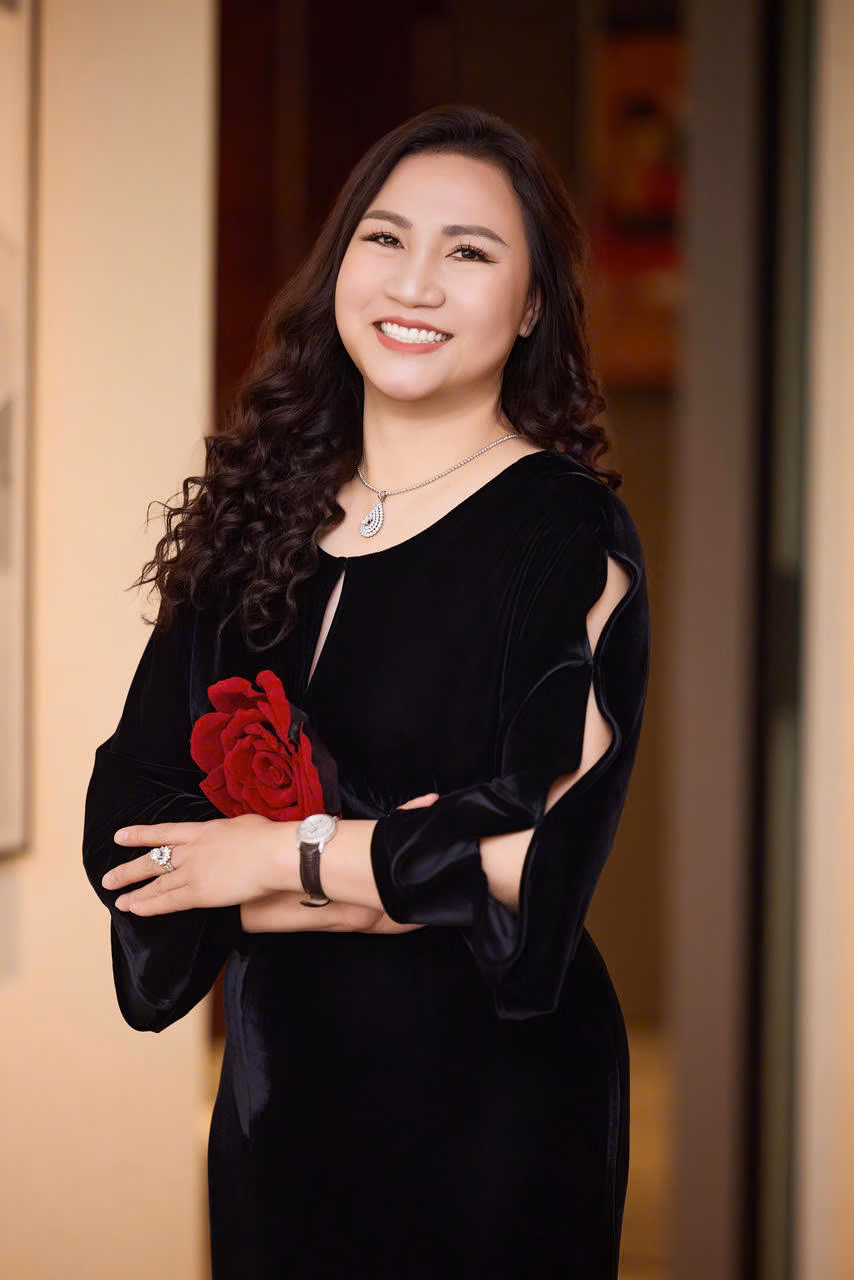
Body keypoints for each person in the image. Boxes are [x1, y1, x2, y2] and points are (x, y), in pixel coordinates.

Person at [83, 104, 651, 1279]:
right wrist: (390, 872)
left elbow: (529, 855)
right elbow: (128, 826)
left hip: (495, 1108)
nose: (415, 282)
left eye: (469, 251)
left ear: (531, 306)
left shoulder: (565, 532)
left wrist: (270, 854)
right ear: (340, 263)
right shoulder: (255, 512)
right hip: (280, 1096)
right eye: (384, 237)